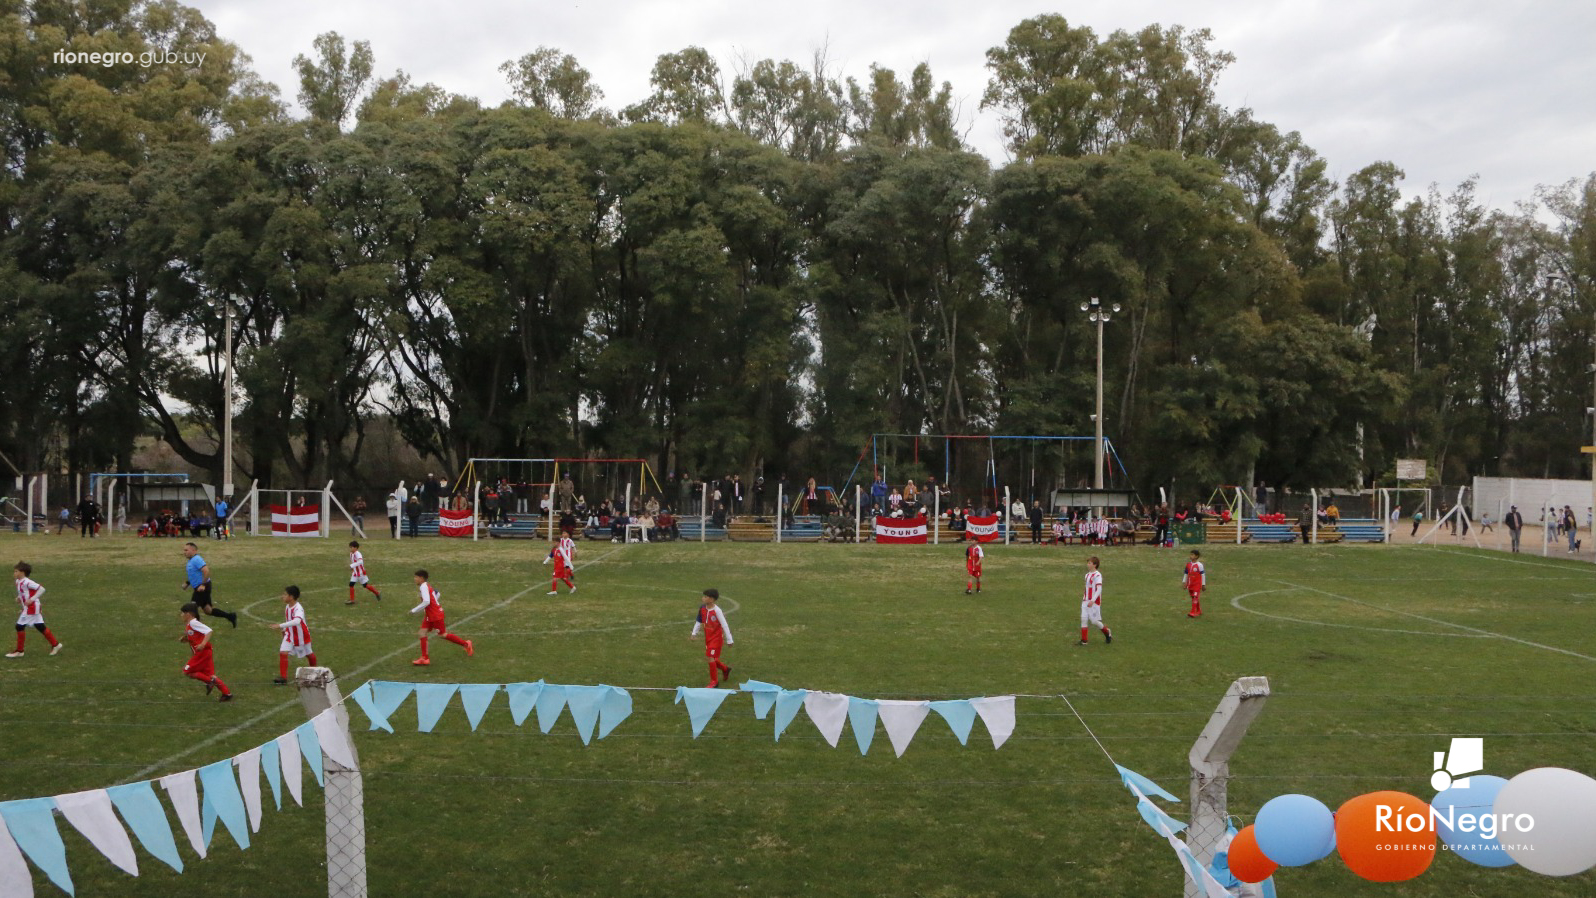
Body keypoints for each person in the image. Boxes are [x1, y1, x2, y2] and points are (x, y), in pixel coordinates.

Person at [408, 570, 473, 666]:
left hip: (435, 615)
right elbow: (437, 594)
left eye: (416, 577)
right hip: (430, 615)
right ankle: (424, 658)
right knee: (422, 633)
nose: (414, 579)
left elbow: (426, 601)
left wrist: (414, 610)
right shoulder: (426, 585)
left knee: (442, 635)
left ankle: (466, 644)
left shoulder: (423, 587)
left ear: (421, 578)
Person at [178, 602, 232, 701]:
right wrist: (186, 639)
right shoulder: (190, 624)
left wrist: (202, 644)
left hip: (202, 653)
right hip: (205, 652)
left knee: (187, 672)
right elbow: (195, 636)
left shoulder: (194, 623)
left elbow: (209, 631)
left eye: (182, 613)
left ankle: (209, 682)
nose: (181, 615)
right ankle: (227, 693)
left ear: (188, 614)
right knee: (211, 674)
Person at [9, 562, 62, 658]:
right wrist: (19, 598)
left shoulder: (27, 582)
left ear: (22, 572)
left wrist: (31, 600)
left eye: (16, 571)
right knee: (40, 626)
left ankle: (19, 651)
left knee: (19, 626)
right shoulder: (18, 582)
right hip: (29, 608)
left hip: (32, 608)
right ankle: (56, 645)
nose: (14, 573)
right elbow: (24, 592)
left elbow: (41, 589)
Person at [268, 585, 318, 685]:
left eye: (285, 594)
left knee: (309, 654)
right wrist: (284, 629)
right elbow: (290, 621)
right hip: (290, 634)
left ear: (291, 597)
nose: (282, 596)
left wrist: (280, 625)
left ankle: (315, 672)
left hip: (301, 636)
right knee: (283, 652)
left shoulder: (298, 608)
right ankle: (283, 678)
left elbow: (297, 621)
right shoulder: (287, 606)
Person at [181, 542, 237, 627]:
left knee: (191, 609)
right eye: (184, 550)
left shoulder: (197, 559)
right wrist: (188, 583)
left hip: (202, 588)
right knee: (208, 610)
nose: (184, 552)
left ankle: (197, 631)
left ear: (194, 550)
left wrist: (203, 585)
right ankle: (230, 616)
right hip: (200, 587)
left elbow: (206, 571)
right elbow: (195, 575)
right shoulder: (191, 560)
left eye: (186, 550)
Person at [690, 588, 733, 688]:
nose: (703, 598)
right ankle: (725, 669)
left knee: (710, 658)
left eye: (705, 597)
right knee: (711, 658)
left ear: (712, 599)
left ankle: (714, 682)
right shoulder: (702, 608)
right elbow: (698, 621)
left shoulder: (717, 611)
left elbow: (724, 625)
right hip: (708, 638)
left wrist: (729, 639)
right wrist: (694, 633)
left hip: (716, 639)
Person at [1079, 556, 1113, 646]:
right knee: (1083, 619)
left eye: (1090, 563)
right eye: (1088, 563)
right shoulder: (1087, 575)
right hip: (1085, 601)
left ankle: (1107, 632)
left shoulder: (1098, 575)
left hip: (1093, 602)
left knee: (1094, 621)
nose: (1088, 564)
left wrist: (1093, 600)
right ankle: (1084, 641)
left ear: (1095, 565)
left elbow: (1099, 589)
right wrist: (1085, 598)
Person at [347, 541, 381, 605]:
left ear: (356, 548)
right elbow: (354, 562)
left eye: (351, 547)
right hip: (355, 573)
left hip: (360, 573)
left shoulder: (358, 553)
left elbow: (360, 562)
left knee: (365, 585)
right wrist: (353, 568)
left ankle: (377, 593)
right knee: (351, 584)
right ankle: (352, 600)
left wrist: (352, 566)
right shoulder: (351, 554)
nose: (350, 549)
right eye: (350, 547)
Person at [1184, 550, 1206, 618]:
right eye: (1190, 554)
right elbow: (1186, 574)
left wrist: (1203, 584)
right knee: (1193, 597)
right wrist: (1184, 582)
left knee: (1195, 597)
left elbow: (1203, 575)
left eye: (1192, 555)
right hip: (1190, 584)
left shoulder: (1200, 565)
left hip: (1197, 584)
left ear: (1196, 556)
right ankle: (1199, 610)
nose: (1191, 556)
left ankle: (1193, 612)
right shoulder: (1188, 564)